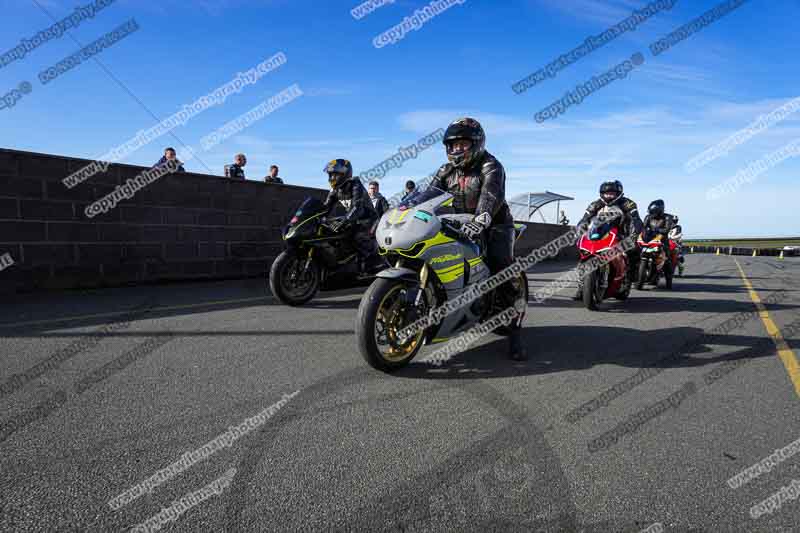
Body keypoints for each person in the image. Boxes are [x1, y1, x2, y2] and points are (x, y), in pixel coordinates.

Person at [429, 117, 526, 361]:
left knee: (500, 268)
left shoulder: (491, 166)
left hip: (494, 225)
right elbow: (427, 195)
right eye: (452, 146)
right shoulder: (445, 170)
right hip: (456, 222)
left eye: (462, 144)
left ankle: (514, 333)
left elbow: (490, 196)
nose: (456, 150)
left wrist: (481, 219)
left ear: (476, 143)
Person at [573, 180, 643, 299]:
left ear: (619, 193)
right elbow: (585, 219)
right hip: (600, 232)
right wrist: (579, 230)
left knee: (634, 250)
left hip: (622, 232)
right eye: (606, 193)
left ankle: (630, 279)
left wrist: (635, 233)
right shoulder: (595, 204)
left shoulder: (628, 203)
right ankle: (582, 288)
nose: (608, 196)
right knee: (584, 254)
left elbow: (636, 219)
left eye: (611, 193)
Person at [322, 159, 379, 275]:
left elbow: (357, 207)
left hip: (368, 220)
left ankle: (375, 264)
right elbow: (326, 207)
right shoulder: (335, 189)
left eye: (335, 174)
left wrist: (345, 220)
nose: (332, 178)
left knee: (357, 237)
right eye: (331, 175)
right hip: (354, 219)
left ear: (344, 174)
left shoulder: (355, 185)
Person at [643, 199, 677, 272]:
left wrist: (655, 230)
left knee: (667, 259)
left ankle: (669, 278)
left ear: (658, 211)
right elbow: (643, 228)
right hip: (649, 239)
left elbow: (666, 230)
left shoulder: (668, 217)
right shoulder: (648, 217)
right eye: (650, 212)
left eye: (652, 212)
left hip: (662, 240)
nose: (651, 214)